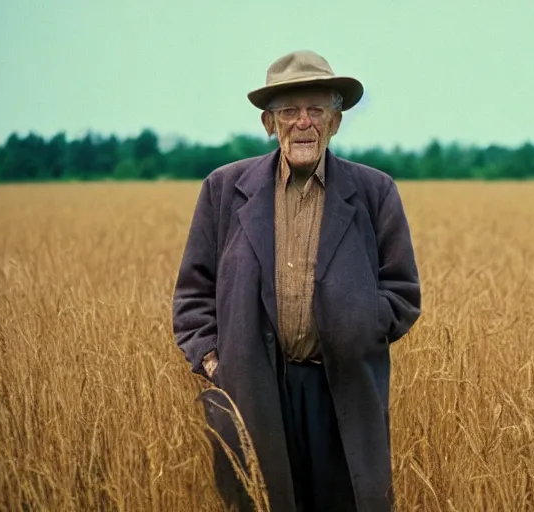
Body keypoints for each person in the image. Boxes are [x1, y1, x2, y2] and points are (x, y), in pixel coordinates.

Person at [171, 49, 422, 512]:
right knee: (261, 502)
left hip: (340, 390)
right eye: (289, 111)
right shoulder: (224, 189)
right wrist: (216, 365)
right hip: (253, 389)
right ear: (270, 123)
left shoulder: (375, 191)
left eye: (316, 110)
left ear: (335, 121)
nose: (303, 122)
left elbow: (403, 292)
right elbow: (192, 296)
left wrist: (358, 328)